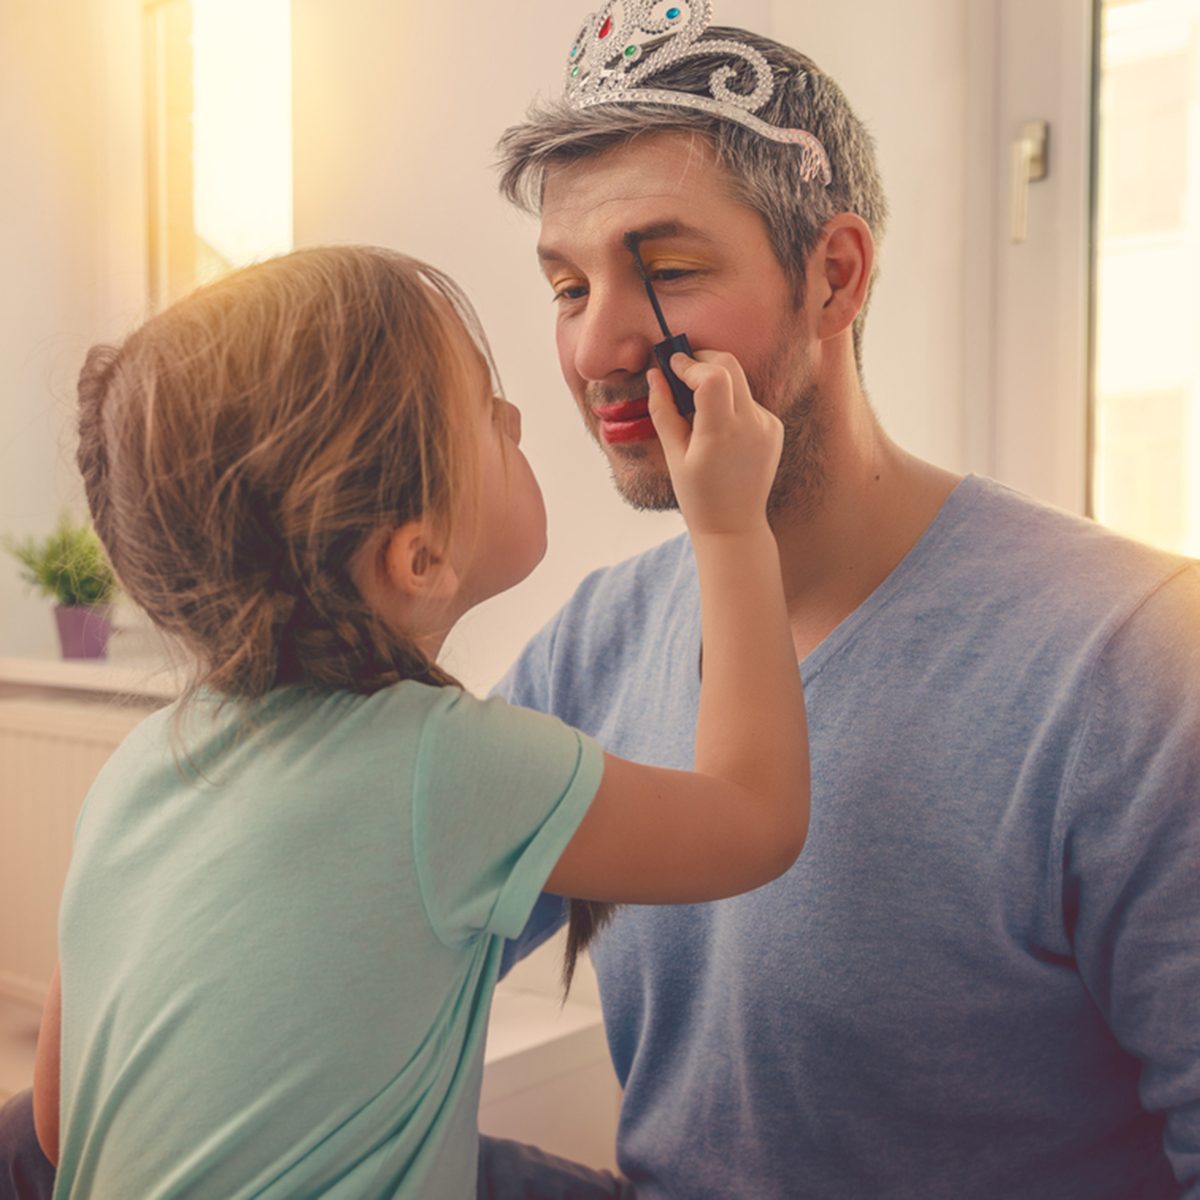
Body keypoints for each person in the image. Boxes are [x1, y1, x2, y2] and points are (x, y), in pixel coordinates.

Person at [487, 3, 1200, 1198]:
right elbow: (377, 930)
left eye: (663, 270)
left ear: (835, 276)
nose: (599, 345)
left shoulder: (1133, 664)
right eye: (566, 287)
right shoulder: (595, 646)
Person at [13, 244, 811, 1197]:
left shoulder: (139, 765)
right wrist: (728, 528)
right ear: (417, 558)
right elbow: (754, 819)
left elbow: (57, 1124)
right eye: (484, 409)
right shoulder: (449, 762)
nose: (516, 413)